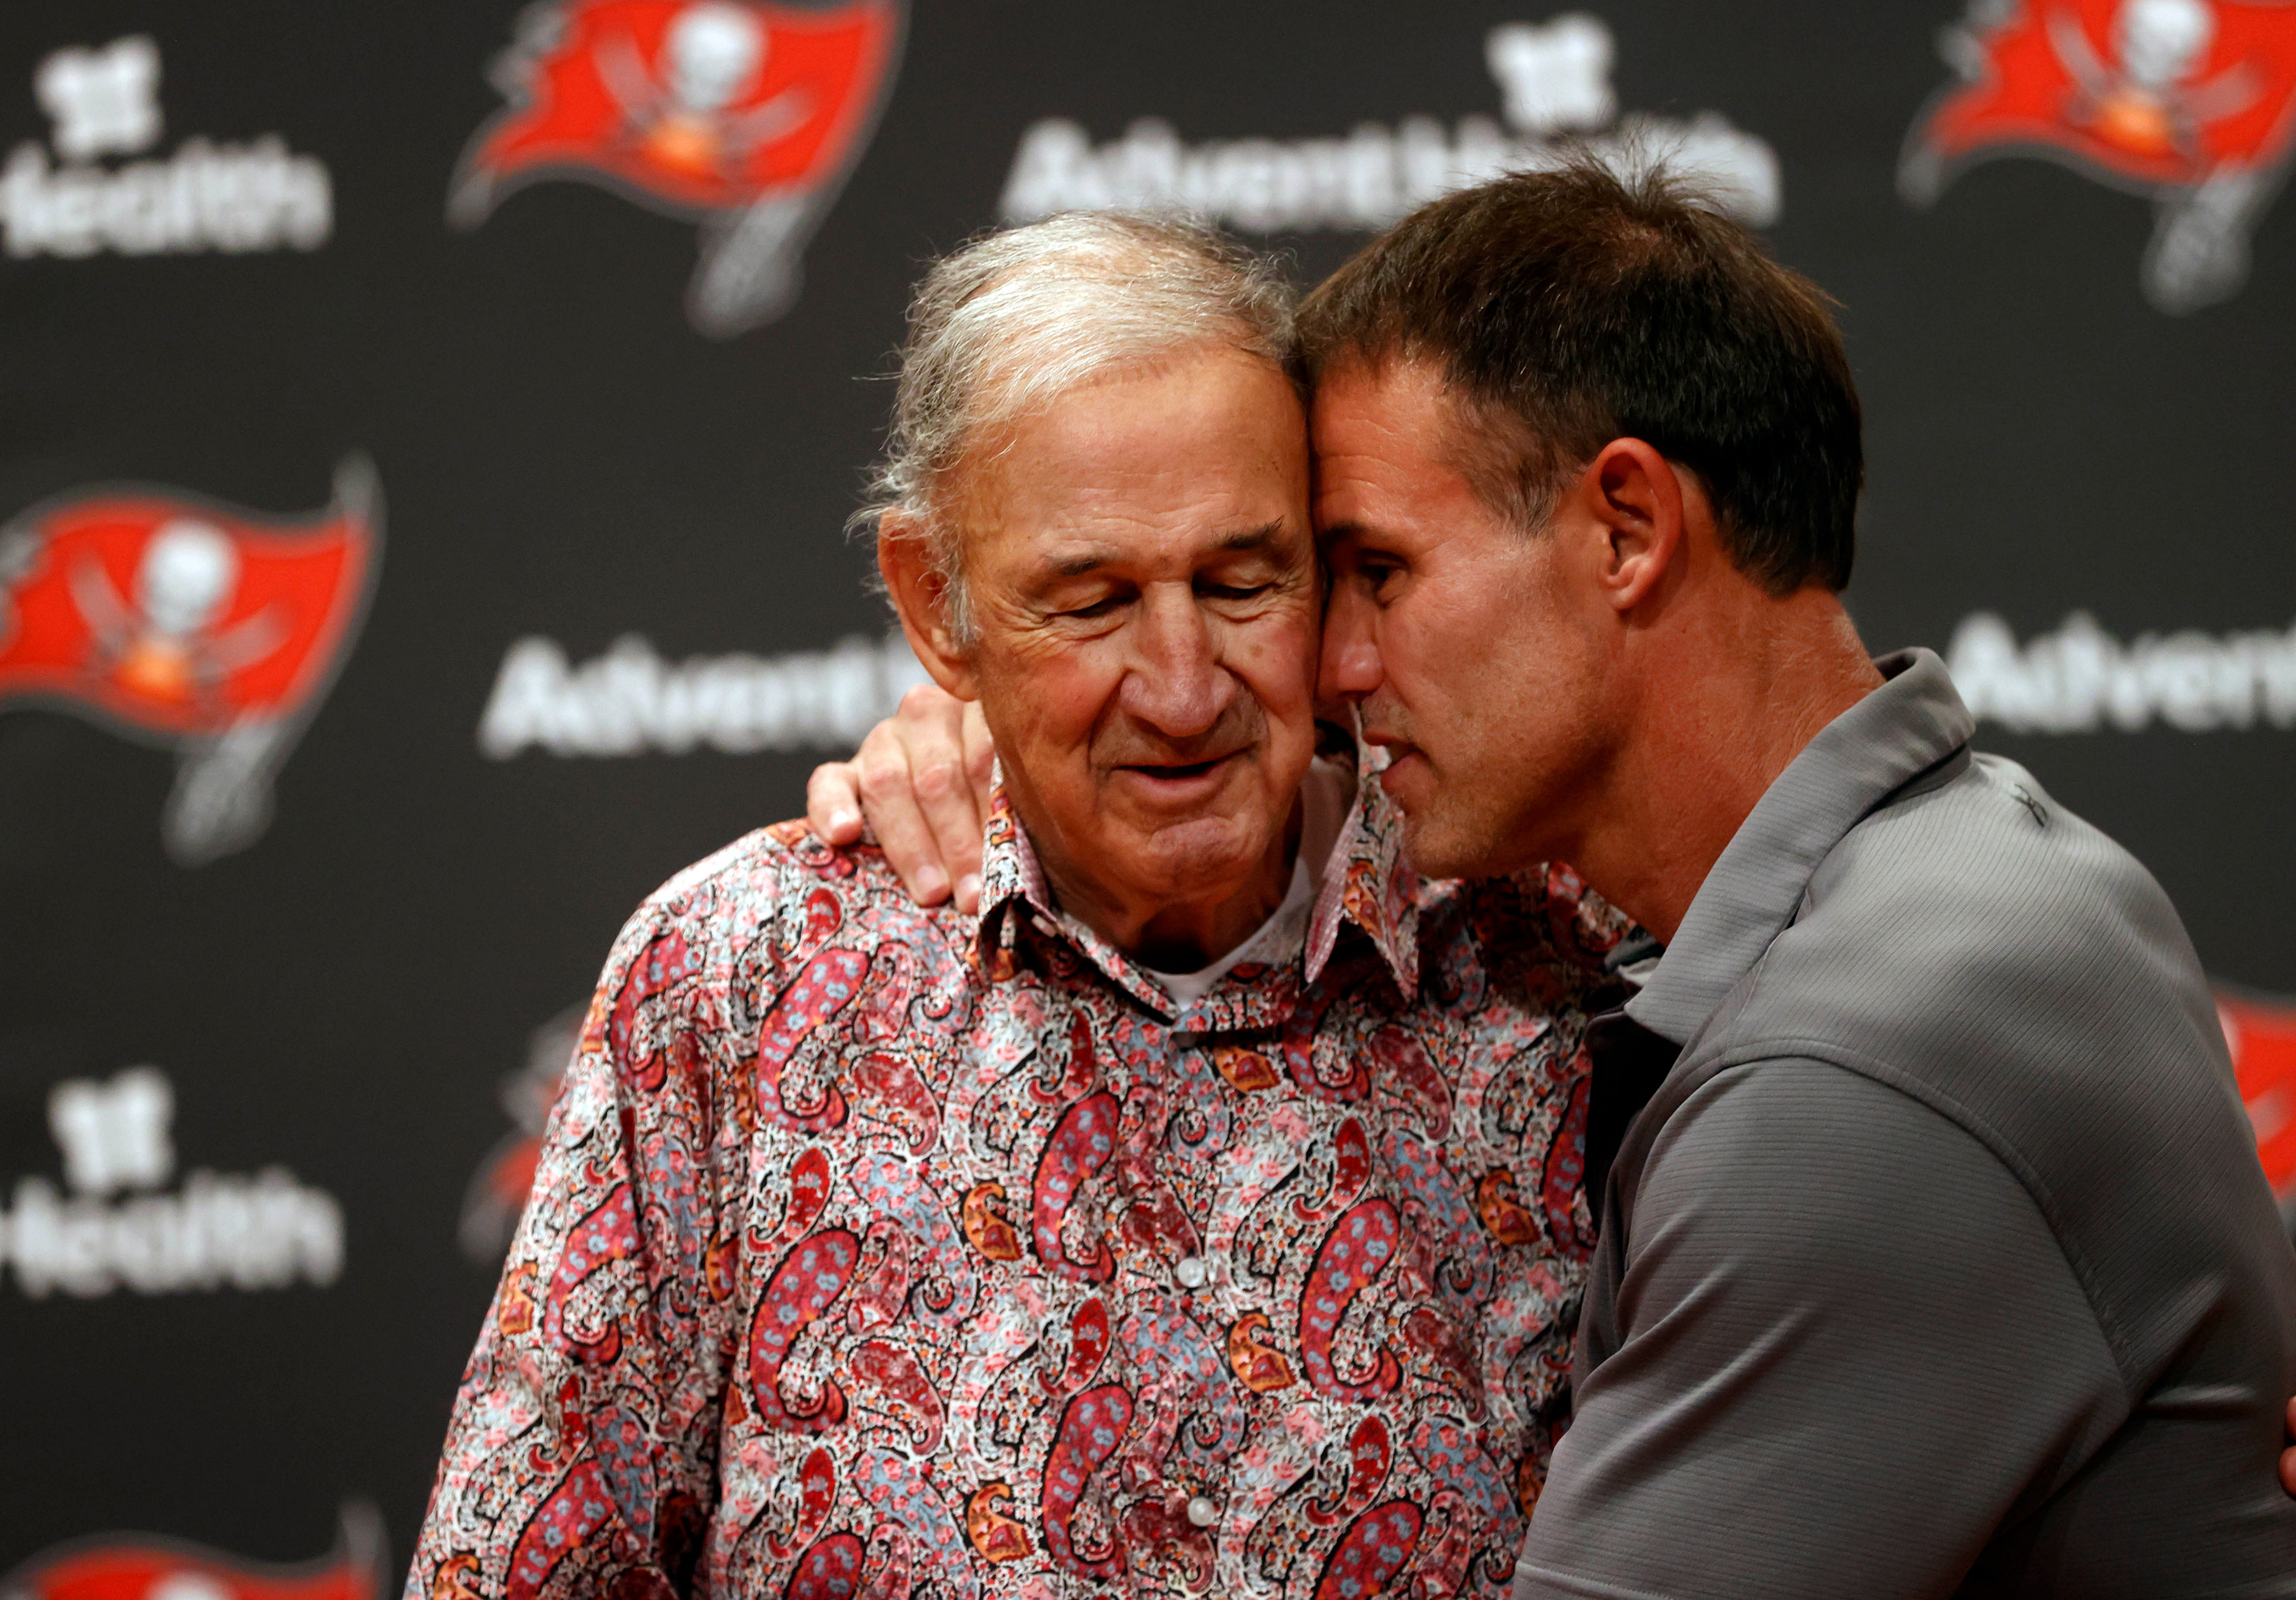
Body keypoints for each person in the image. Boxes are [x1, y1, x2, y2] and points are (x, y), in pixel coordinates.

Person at [811, 164, 2296, 1593]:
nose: (1329, 667)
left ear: (1628, 531)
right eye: (1093, 599)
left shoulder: (1860, 1059)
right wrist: (1004, 711)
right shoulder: (1963, 883)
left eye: (1371, 572)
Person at [408, 212, 1631, 1598]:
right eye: (1092, 602)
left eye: (1242, 582)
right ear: (940, 606)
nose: (1182, 688)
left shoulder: (1561, 953)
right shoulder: (739, 978)